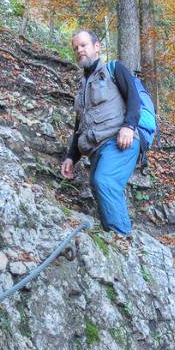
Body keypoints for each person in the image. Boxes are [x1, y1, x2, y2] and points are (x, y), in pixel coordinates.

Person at [60, 29, 141, 235]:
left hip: (119, 141)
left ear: (97, 47)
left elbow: (134, 99)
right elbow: (80, 126)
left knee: (104, 181)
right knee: (99, 187)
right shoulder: (82, 86)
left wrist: (129, 126)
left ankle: (122, 239)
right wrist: (71, 157)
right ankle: (113, 238)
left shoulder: (115, 69)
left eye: (83, 45)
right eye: (76, 48)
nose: (79, 50)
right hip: (97, 149)